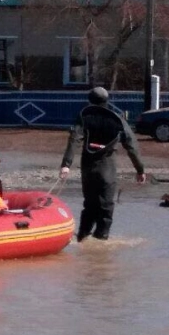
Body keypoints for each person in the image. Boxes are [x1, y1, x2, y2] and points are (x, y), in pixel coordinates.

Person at [60, 86, 146, 241]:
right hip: (107, 168)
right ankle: (101, 239)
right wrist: (140, 169)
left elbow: (74, 140)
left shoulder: (83, 115)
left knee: (89, 205)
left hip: (88, 168)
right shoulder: (117, 119)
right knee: (106, 205)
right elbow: (131, 145)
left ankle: (82, 237)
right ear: (107, 100)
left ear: (89, 100)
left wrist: (66, 165)